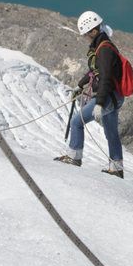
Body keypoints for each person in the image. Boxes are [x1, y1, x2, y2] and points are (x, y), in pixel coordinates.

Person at [54, 10, 126, 178]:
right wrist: (81, 84)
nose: (86, 37)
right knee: (111, 134)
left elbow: (106, 77)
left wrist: (100, 103)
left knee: (76, 122)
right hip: (115, 97)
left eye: (86, 34)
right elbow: (96, 70)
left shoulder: (104, 50)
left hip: (107, 97)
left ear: (93, 30)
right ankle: (116, 169)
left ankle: (74, 158)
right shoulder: (104, 46)